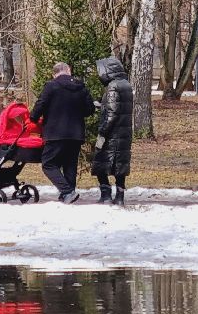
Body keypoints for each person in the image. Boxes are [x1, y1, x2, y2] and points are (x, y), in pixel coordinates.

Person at [30, 62, 96, 204]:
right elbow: (90, 109)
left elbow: (40, 104)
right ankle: (68, 195)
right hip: (76, 133)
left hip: (55, 132)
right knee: (70, 164)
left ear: (55, 73)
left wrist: (33, 118)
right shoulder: (81, 87)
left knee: (48, 163)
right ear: (69, 71)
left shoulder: (51, 86)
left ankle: (67, 191)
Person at [91, 56, 134, 205]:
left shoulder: (113, 86)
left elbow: (112, 113)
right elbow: (118, 107)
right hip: (124, 134)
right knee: (120, 166)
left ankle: (106, 195)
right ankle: (120, 197)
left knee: (100, 162)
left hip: (112, 135)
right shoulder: (126, 85)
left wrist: (103, 131)